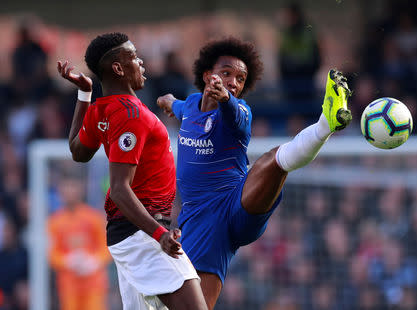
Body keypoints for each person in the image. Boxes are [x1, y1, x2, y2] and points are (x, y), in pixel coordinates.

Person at [157, 37, 352, 309]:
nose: (234, 82)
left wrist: (225, 98)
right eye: (226, 74)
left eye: (240, 78)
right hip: (200, 219)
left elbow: (234, 114)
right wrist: (166, 101)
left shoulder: (241, 112)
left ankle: (325, 124)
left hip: (235, 203)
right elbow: (176, 105)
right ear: (206, 75)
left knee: (274, 160)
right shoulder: (190, 105)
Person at [57, 32, 207, 310]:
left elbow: (78, 151)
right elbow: (118, 188)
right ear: (118, 68)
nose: (142, 63)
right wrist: (158, 234)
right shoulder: (130, 114)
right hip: (143, 234)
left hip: (131, 235)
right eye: (135, 57)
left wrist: (85, 93)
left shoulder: (105, 110)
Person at [47, 177, 111, 310]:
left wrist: (94, 261)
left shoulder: (94, 218)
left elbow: (107, 247)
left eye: (73, 187)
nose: (70, 192)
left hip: (93, 282)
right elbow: (52, 254)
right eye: (66, 187)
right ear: (60, 191)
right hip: (69, 284)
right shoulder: (54, 222)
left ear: (80, 190)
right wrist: (67, 261)